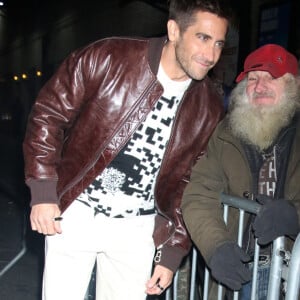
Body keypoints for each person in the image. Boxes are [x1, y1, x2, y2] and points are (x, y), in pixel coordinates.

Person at [22, 1, 234, 299]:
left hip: (138, 229)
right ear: (174, 30)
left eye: (219, 44)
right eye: (202, 38)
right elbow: (49, 114)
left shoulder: (209, 106)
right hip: (75, 213)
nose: (211, 55)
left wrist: (173, 249)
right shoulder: (109, 57)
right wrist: (43, 190)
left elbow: (190, 181)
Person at [181, 43, 300, 299]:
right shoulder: (226, 132)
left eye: (272, 78)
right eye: (253, 78)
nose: (259, 86)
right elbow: (200, 194)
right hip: (242, 270)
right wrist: (216, 246)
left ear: (293, 85)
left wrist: (295, 215)